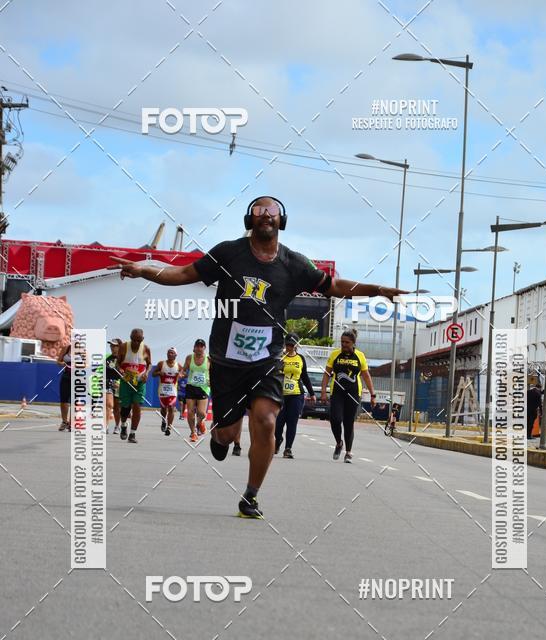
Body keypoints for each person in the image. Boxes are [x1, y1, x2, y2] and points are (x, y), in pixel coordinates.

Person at [110, 196, 403, 517]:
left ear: (282, 220)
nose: (266, 215)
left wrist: (376, 289)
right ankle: (221, 437)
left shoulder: (293, 264)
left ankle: (251, 495)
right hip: (226, 361)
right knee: (227, 435)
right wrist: (143, 270)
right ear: (250, 219)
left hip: (266, 362)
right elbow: (181, 274)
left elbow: (333, 286)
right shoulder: (227, 253)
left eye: (272, 211)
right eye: (259, 211)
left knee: (265, 420)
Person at [321, 329, 376, 463]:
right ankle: (339, 443)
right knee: (335, 419)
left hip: (353, 392)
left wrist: (373, 394)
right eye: (342, 342)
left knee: (348, 422)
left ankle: (349, 452)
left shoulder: (360, 356)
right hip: (337, 392)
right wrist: (323, 391)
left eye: (347, 342)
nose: (344, 344)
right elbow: (327, 374)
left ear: (353, 343)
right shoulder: (335, 355)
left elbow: (366, 376)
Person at [274, 333, 315, 458]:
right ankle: (278, 439)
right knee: (278, 423)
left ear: (296, 345)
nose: (289, 347)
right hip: (280, 395)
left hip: (296, 395)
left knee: (292, 422)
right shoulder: (279, 357)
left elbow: (305, 376)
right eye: (287, 345)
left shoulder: (300, 359)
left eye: (292, 345)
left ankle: (288, 448)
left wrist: (312, 393)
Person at [116, 328, 152, 444]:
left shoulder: (146, 348)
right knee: (125, 407)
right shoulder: (124, 347)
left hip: (139, 382)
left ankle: (132, 433)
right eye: (134, 340)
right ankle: (123, 425)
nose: (136, 343)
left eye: (139, 340)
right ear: (130, 338)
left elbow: (150, 363)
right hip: (126, 381)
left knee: (137, 406)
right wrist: (120, 369)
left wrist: (146, 373)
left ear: (142, 339)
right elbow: (118, 362)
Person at [182, 339, 211, 443]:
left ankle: (200, 423)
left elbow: (214, 372)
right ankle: (193, 433)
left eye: (201, 346)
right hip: (191, 386)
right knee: (190, 412)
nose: (199, 348)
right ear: (194, 348)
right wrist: (182, 374)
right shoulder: (189, 358)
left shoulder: (209, 359)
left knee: (201, 413)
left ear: (204, 348)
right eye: (197, 346)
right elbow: (184, 369)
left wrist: (212, 380)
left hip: (204, 388)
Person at [153, 347, 181, 436]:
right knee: (164, 409)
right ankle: (163, 420)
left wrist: (181, 375)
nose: (170, 354)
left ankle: (169, 427)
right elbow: (153, 374)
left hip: (172, 390)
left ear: (176, 355)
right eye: (169, 352)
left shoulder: (179, 365)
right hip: (162, 389)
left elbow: (184, 374)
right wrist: (158, 373)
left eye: (172, 353)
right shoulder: (161, 364)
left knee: (171, 407)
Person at [105, 338, 122, 433]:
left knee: (117, 407)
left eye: (114, 346)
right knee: (109, 405)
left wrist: (120, 382)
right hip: (108, 383)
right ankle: (106, 426)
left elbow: (127, 373)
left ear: (119, 347)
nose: (112, 347)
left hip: (120, 384)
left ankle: (117, 426)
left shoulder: (123, 359)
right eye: (111, 345)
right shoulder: (108, 359)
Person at [57, 343, 72, 431]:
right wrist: (62, 363)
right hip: (66, 376)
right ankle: (64, 421)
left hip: (78, 377)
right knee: (64, 401)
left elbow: (87, 364)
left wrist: (80, 365)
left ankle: (72, 423)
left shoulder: (82, 351)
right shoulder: (66, 348)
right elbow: (58, 361)